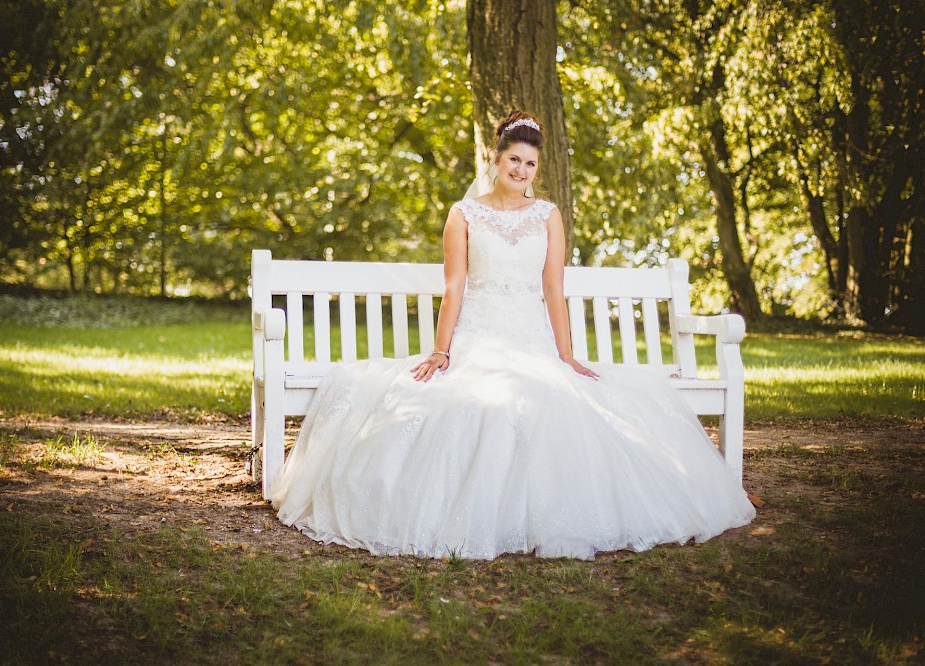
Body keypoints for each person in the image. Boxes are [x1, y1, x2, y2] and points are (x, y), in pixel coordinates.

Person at [270, 111, 755, 560]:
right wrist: (442, 350)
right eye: (514, 160)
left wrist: (565, 355)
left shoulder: (547, 215)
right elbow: (454, 286)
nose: (522, 170)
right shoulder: (463, 215)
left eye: (530, 163)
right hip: (479, 334)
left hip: (531, 337)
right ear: (496, 159)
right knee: (471, 402)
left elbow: (554, 289)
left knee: (554, 398)